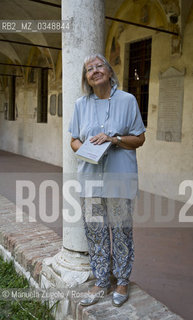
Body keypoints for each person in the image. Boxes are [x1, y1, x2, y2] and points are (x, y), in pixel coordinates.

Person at [69, 53, 145, 307]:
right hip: (90, 180)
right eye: (88, 69)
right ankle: (102, 281)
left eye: (98, 65)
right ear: (87, 79)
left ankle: (122, 281)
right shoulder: (81, 104)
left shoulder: (128, 100)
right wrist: (86, 150)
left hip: (119, 180)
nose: (94, 70)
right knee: (96, 233)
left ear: (110, 72)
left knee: (121, 232)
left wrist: (114, 140)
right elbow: (73, 141)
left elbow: (139, 139)